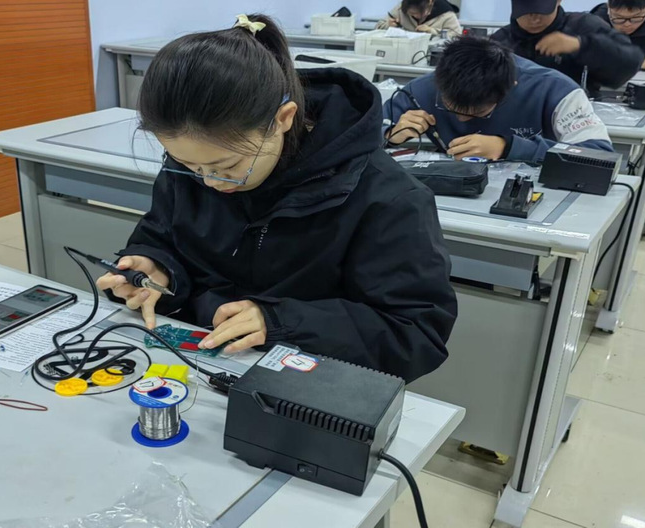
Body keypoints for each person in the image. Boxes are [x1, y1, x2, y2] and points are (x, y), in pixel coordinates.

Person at [96, 14, 458, 383]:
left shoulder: (388, 198)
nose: (209, 182)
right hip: (195, 365)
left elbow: (416, 333)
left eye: (228, 166)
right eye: (189, 165)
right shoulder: (195, 164)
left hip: (307, 384)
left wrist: (280, 323)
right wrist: (157, 270)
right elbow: (161, 239)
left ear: (283, 118)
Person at [383, 37, 613, 163]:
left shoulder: (556, 90)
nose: (463, 120)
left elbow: (599, 155)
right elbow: (366, 131)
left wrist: (509, 148)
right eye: (450, 108)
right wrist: (390, 136)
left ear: (511, 88)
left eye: (478, 112)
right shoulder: (422, 88)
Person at [492, 0, 644, 95]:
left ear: (558, 1)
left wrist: (581, 45)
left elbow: (630, 61)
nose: (535, 19)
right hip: (517, 118)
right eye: (526, 13)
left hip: (579, 116)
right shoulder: (498, 42)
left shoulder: (584, 25)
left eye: (542, 11)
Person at [591, 0, 645, 69]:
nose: (627, 24)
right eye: (619, 17)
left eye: (636, 17)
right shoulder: (595, 21)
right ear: (608, 6)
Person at [376, 0, 462, 36]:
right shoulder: (401, 9)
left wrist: (432, 31)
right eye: (411, 13)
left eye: (418, 13)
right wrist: (388, 25)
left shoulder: (446, 13)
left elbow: (456, 35)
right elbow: (378, 27)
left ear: (430, 3)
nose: (415, 16)